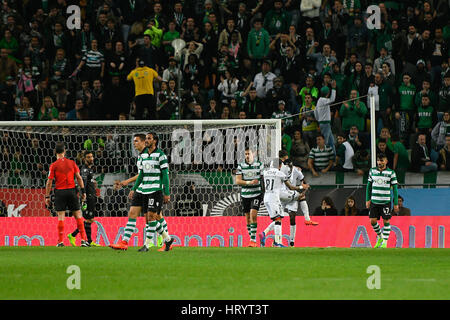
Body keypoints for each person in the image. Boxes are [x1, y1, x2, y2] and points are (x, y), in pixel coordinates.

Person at [109, 134, 153, 251]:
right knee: (132, 213)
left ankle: (165, 239)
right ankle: (124, 242)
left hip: (149, 189)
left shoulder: (147, 155)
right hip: (140, 189)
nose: (134, 143)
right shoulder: (140, 156)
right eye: (133, 141)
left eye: (137, 141)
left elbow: (143, 175)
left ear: (144, 142)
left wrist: (127, 182)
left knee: (152, 217)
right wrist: (134, 188)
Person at [44, 142, 88, 247]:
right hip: (72, 191)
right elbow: (79, 177)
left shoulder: (53, 165)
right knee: (78, 215)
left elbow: (49, 182)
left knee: (61, 216)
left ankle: (60, 242)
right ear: (65, 151)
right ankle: (83, 240)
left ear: (55, 152)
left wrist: (47, 196)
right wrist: (83, 191)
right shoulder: (72, 163)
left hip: (60, 192)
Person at [136, 132, 174, 252]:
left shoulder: (161, 155)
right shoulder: (143, 156)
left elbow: (165, 175)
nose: (146, 141)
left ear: (155, 141)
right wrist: (134, 188)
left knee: (152, 216)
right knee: (149, 217)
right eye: (146, 138)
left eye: (149, 139)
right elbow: (141, 174)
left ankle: (147, 245)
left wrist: (166, 192)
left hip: (155, 190)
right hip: (144, 190)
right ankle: (168, 239)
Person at [278, 152, 318, 247]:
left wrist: (304, 187)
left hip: (290, 194)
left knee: (292, 217)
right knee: (278, 218)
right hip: (283, 194)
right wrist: (301, 188)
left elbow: (302, 179)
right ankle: (307, 218)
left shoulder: (296, 170)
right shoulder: (280, 169)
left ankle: (291, 242)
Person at [259, 158, 301, 248]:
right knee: (278, 219)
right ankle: (277, 243)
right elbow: (290, 187)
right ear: (280, 166)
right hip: (274, 198)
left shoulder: (265, 172)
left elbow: (262, 183)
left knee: (278, 219)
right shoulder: (280, 174)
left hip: (266, 197)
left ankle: (264, 233)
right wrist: (300, 187)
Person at [366, 153, 399, 248]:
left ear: (386, 161)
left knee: (386, 221)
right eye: (378, 160)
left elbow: (395, 189)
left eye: (382, 160)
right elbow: (369, 186)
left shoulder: (391, 173)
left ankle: (385, 242)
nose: (379, 162)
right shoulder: (372, 171)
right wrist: (367, 199)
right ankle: (380, 237)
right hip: (374, 201)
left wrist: (395, 203)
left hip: (385, 201)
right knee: (372, 221)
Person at [67, 151, 100, 247]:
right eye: (89, 157)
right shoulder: (84, 170)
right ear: (84, 159)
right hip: (88, 197)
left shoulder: (90, 169)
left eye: (92, 156)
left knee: (90, 219)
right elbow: (83, 183)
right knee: (87, 219)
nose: (91, 159)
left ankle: (88, 240)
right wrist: (83, 196)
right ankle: (74, 235)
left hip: (92, 196)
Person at [235, 147, 264, 247]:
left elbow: (263, 176)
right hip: (245, 195)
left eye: (249, 154)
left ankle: (253, 240)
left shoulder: (259, 165)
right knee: (247, 218)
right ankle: (252, 238)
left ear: (253, 154)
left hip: (256, 194)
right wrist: (249, 182)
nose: (247, 156)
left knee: (253, 214)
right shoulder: (241, 166)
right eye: (246, 154)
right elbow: (238, 181)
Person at [314, 80, 337, 155]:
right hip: (325, 124)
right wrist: (333, 89)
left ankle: (333, 158)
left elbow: (315, 112)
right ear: (328, 93)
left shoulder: (319, 100)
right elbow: (332, 99)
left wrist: (319, 120)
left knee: (331, 142)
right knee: (326, 143)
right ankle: (325, 157)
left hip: (323, 123)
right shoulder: (324, 100)